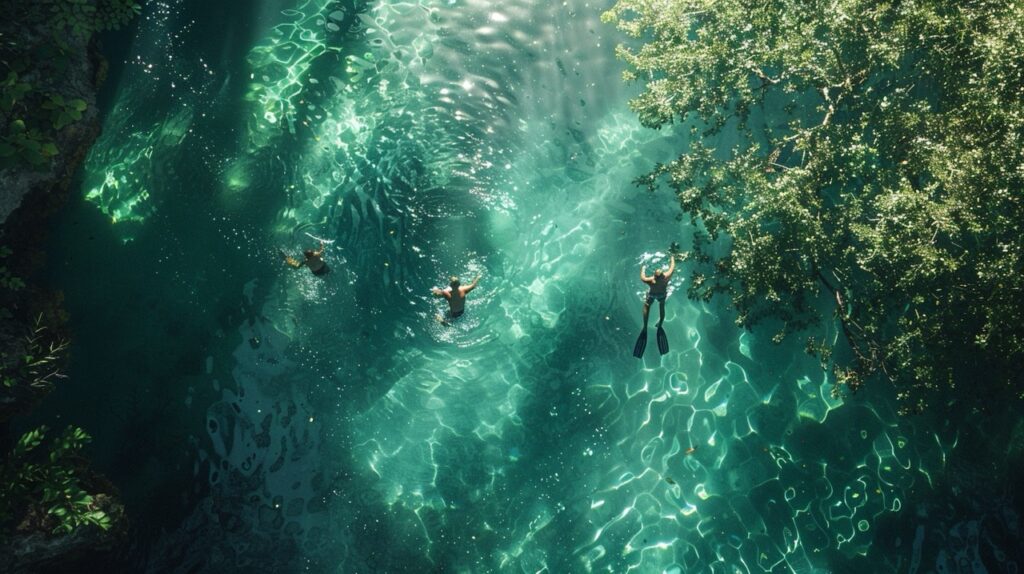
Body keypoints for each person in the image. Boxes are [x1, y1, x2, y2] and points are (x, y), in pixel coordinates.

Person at [634, 254, 675, 358]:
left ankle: (645, 326)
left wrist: (643, 268)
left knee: (647, 305)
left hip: (652, 294)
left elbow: (642, 277)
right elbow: (672, 267)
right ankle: (660, 323)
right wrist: (672, 258)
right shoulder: (666, 277)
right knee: (661, 306)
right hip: (662, 295)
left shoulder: (651, 281)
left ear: (654, 276)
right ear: (663, 276)